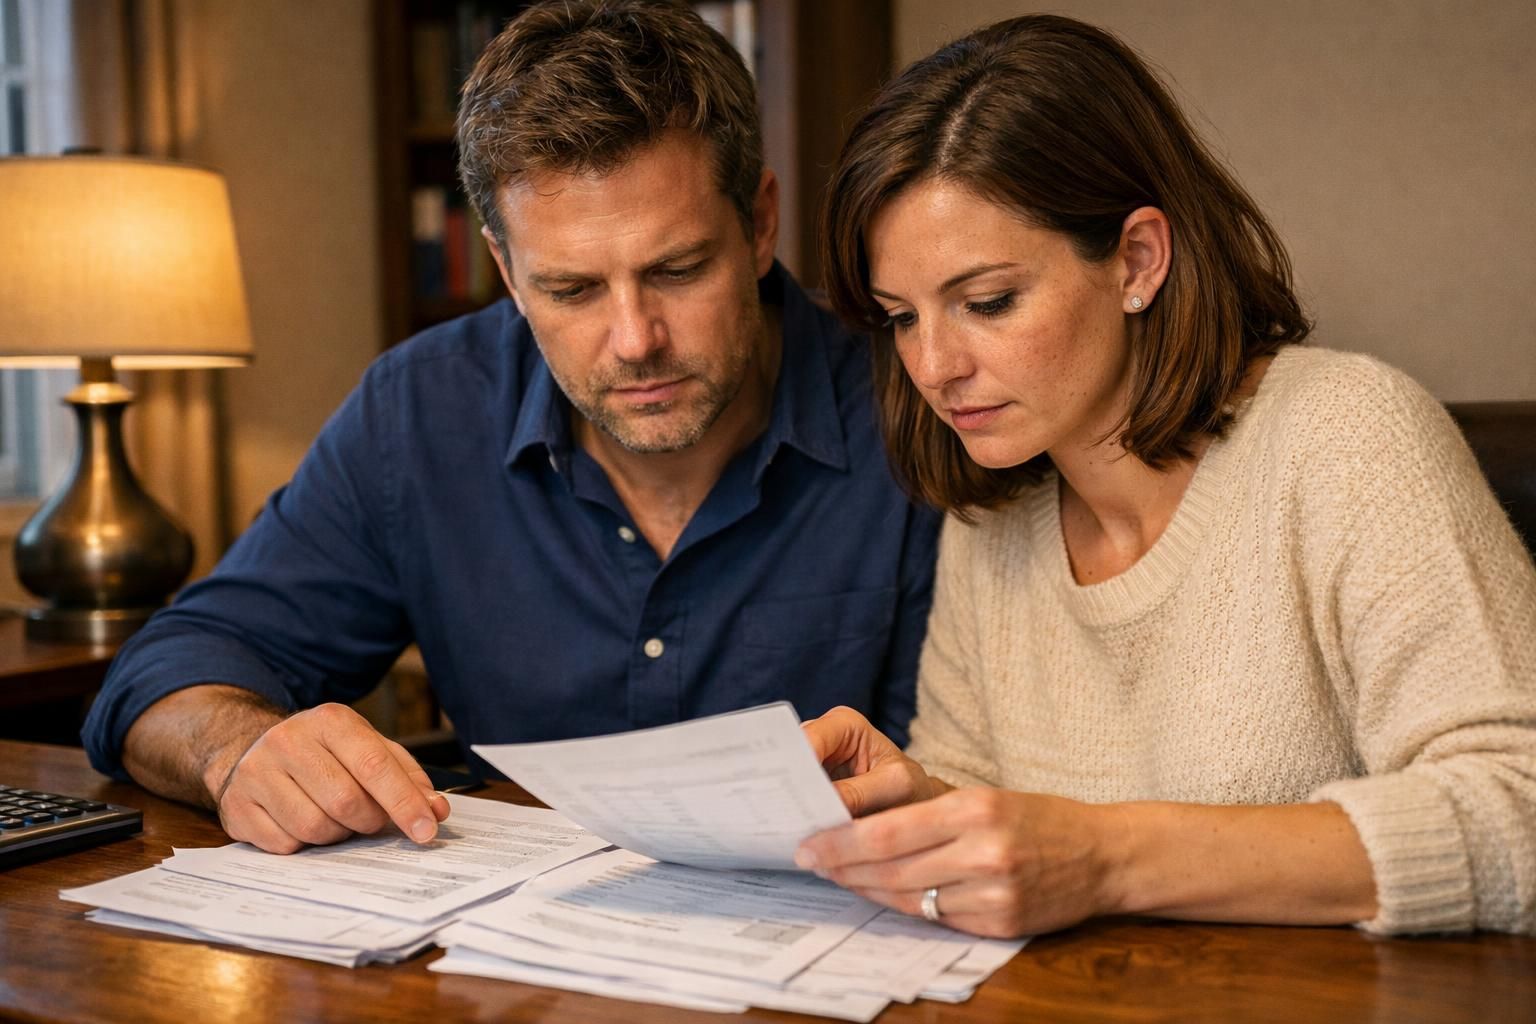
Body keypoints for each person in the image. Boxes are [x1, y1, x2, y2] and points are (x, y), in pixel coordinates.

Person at [82, 0, 939, 855]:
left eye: (677, 271)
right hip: (505, 967)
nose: (636, 340)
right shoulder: (422, 413)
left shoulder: (914, 404)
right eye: (571, 290)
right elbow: (170, 670)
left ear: (758, 224)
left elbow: (973, 770)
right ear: (506, 268)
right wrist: (240, 752)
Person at [795, 13, 1536, 937]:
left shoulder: (1349, 437)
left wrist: (1105, 857)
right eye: (902, 317)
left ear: (1138, 260)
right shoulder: (994, 526)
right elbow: (1020, 846)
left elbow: (1521, 813)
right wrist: (924, 807)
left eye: (986, 302)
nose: (935, 365)